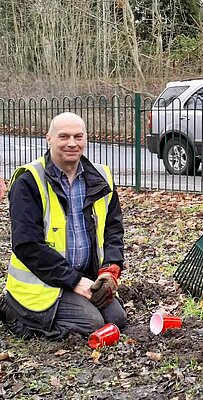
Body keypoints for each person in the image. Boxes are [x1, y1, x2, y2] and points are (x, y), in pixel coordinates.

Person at [0, 112, 127, 340]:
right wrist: (75, 281)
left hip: (83, 276)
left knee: (117, 320)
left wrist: (110, 268)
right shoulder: (29, 181)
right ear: (49, 138)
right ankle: (14, 312)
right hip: (41, 285)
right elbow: (27, 245)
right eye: (64, 136)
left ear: (86, 139)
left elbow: (113, 228)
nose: (72, 143)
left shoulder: (101, 177)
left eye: (78, 136)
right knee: (93, 324)